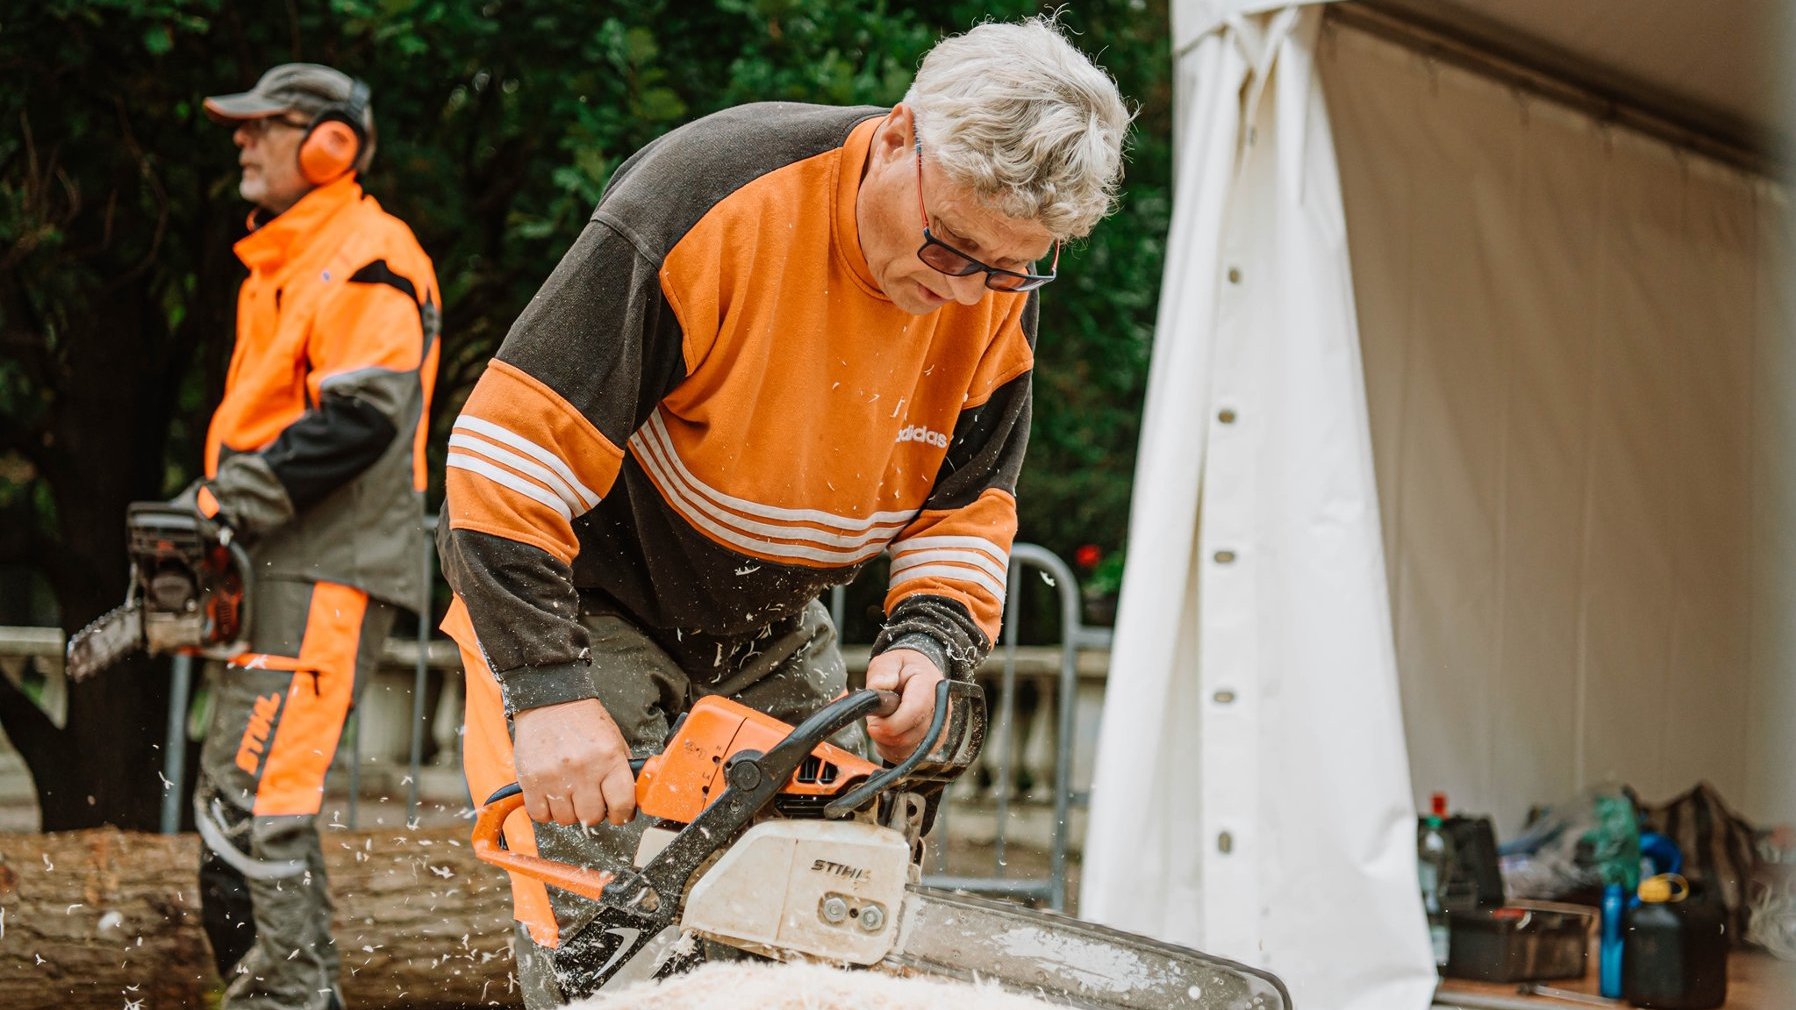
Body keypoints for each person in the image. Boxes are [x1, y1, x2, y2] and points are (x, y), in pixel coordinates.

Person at [437, 16, 1128, 1005]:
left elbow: (965, 502)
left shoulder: (987, 279)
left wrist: (929, 640)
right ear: (897, 138)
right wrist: (547, 685)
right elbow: (511, 449)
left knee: (813, 932)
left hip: (770, 618)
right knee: (606, 956)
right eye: (951, 247)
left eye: (1009, 269)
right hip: (591, 595)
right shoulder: (707, 199)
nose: (963, 288)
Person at [187, 63, 441, 1010]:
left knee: (262, 814)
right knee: (232, 813)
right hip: (278, 565)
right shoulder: (286, 260)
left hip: (327, 569)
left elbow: (362, 417)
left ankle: (285, 1003)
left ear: (330, 141)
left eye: (266, 125)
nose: (244, 141)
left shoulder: (368, 252)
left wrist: (222, 503)